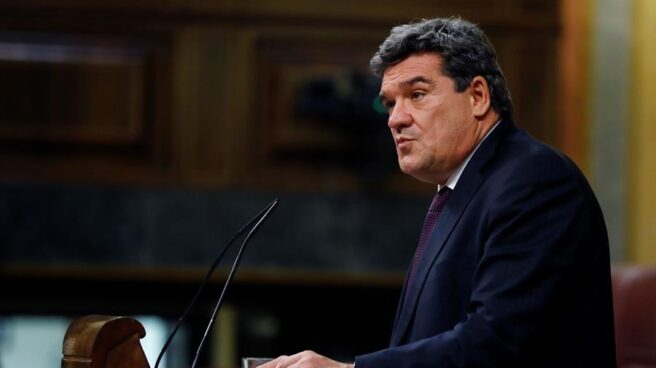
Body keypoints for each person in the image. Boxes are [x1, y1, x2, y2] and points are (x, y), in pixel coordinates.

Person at [260, 17, 616, 368]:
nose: (395, 119)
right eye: (390, 103)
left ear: (477, 96)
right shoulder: (463, 188)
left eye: (416, 95)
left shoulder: (535, 180)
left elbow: (496, 345)